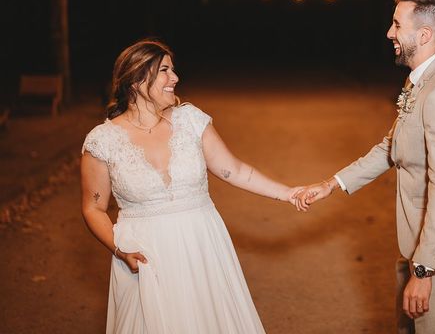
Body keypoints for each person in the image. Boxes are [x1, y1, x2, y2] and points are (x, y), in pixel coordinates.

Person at [296, 0, 435, 334]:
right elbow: (393, 146)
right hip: (417, 235)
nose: (389, 32)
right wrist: (332, 184)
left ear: (424, 34)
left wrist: (425, 269)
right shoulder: (419, 81)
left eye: (397, 24)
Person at [80, 39, 305, 333]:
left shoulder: (190, 120)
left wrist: (288, 193)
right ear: (136, 79)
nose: (175, 78)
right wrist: (119, 249)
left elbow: (233, 170)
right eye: (164, 70)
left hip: (201, 244)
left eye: (173, 70)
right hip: (147, 255)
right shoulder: (102, 140)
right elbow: (93, 207)